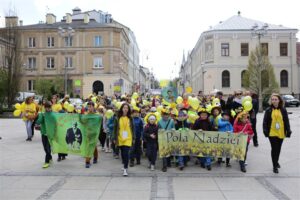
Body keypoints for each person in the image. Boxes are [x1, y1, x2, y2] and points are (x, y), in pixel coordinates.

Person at [263, 93, 292, 173]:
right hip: (272, 132)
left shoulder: (283, 109)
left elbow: (286, 120)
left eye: (276, 99)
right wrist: (265, 131)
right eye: (272, 99)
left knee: (278, 149)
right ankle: (274, 166)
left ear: (279, 100)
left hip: (281, 132)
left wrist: (288, 130)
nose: (274, 101)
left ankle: (276, 161)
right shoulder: (268, 110)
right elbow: (265, 122)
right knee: (274, 148)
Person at [112, 103, 135, 176]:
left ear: (128, 110)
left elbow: (133, 128)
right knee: (122, 153)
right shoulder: (117, 118)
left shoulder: (130, 118)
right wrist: (114, 138)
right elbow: (115, 128)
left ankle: (125, 168)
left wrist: (134, 137)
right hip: (120, 138)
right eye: (124, 108)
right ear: (122, 109)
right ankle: (124, 164)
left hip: (128, 138)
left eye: (127, 108)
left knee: (126, 153)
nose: (125, 109)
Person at [35, 101, 53, 168]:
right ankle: (50, 157)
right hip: (43, 133)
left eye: (49, 108)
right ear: (45, 108)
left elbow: (56, 121)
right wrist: (38, 117)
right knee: (45, 148)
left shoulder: (52, 114)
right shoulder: (42, 114)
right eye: (47, 108)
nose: (48, 109)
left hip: (50, 134)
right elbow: (39, 121)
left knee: (48, 148)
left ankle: (46, 162)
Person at [84, 101, 99, 168]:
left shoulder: (97, 115)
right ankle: (87, 161)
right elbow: (82, 122)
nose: (89, 108)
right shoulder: (86, 115)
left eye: (90, 106)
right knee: (88, 147)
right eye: (88, 106)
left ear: (93, 107)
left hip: (94, 133)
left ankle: (95, 157)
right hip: (88, 133)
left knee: (94, 147)